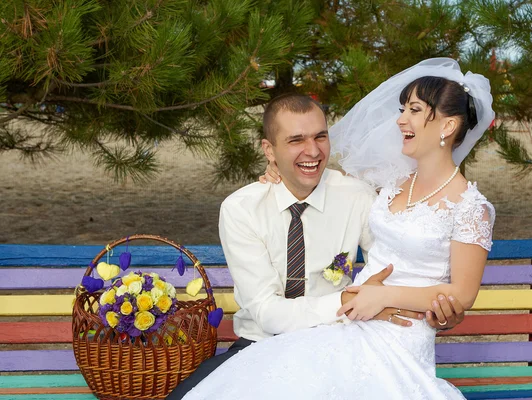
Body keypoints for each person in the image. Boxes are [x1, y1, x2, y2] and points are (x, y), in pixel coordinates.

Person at [181, 58, 496, 399]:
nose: (312, 151)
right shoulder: (244, 208)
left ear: (447, 126)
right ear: (269, 152)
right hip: (267, 340)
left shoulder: (362, 195)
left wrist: (439, 310)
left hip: (359, 334)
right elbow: (267, 313)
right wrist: (355, 300)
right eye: (295, 141)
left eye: (320, 137)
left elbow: (414, 271)